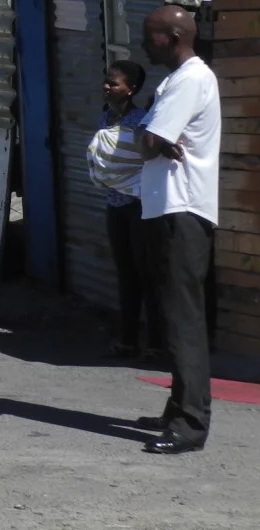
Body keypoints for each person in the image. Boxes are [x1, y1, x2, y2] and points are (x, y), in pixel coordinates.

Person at [135, 5, 221, 455]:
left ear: (172, 36)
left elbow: (146, 142)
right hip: (168, 209)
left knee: (183, 319)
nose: (143, 44)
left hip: (181, 212)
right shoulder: (178, 80)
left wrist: (151, 136)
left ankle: (191, 423)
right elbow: (148, 140)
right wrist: (150, 137)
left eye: (149, 36)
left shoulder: (188, 80)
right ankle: (178, 408)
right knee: (172, 316)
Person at [91, 59, 162, 361]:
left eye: (114, 83)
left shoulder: (140, 121)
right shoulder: (105, 118)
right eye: (106, 81)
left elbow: (144, 160)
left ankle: (156, 343)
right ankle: (129, 339)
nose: (107, 87)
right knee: (126, 274)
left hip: (138, 205)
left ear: (130, 89)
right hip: (115, 204)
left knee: (147, 274)